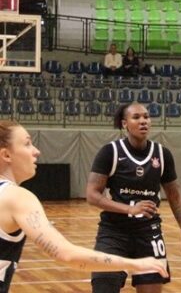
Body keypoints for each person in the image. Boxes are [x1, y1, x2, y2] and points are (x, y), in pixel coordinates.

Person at [0, 120, 168, 291]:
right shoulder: (17, 198)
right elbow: (67, 255)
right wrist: (134, 263)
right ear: (6, 155)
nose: (36, 151)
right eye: (27, 144)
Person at [86, 103, 181, 292]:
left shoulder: (162, 155)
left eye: (146, 116)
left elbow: (175, 197)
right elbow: (92, 195)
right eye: (136, 117)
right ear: (124, 124)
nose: (143, 121)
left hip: (148, 232)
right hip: (113, 231)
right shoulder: (110, 152)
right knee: (103, 285)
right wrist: (130, 209)